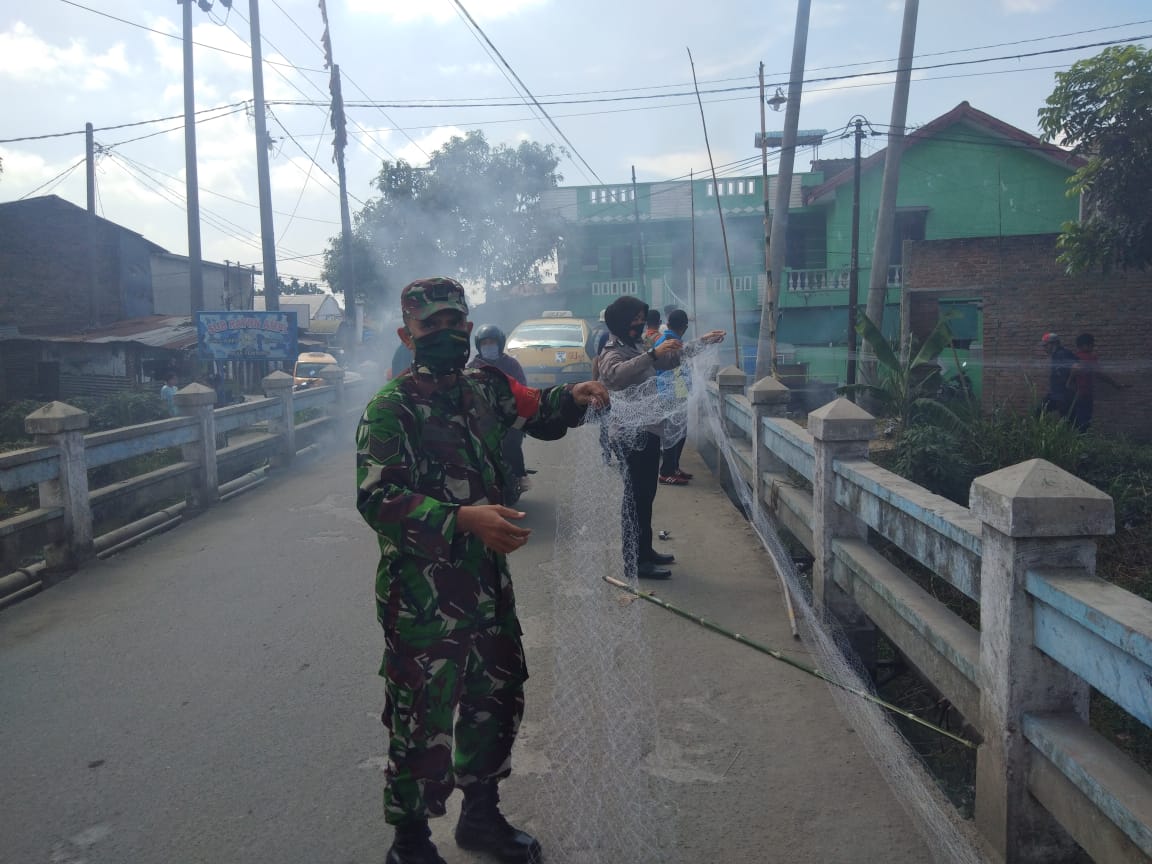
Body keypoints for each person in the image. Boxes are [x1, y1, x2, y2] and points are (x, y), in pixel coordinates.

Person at [356, 276, 608, 864]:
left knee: (494, 698)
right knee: (422, 716)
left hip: (488, 587)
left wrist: (574, 397)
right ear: (407, 334)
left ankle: (481, 818)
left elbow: (537, 412)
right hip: (422, 598)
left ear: (470, 328)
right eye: (431, 326)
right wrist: (463, 519)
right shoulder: (391, 410)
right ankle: (410, 843)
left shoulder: (485, 389)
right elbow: (379, 501)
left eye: (455, 324)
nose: (446, 335)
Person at [598, 295, 724, 580]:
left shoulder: (637, 345)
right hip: (630, 434)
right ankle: (635, 561)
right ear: (620, 322)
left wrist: (701, 342)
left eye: (642, 323)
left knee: (647, 495)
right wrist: (651, 355)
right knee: (635, 498)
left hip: (649, 428)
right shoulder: (612, 350)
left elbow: (670, 360)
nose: (639, 328)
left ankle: (645, 550)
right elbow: (614, 376)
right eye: (634, 323)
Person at [468, 324, 530, 494]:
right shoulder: (473, 366)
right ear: (479, 346)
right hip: (483, 417)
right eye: (485, 343)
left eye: (492, 342)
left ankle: (520, 474)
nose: (488, 346)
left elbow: (523, 389)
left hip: (510, 413)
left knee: (512, 441)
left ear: (500, 344)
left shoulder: (511, 364)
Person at [655, 309, 695, 485]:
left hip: (674, 392)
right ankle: (666, 472)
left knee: (679, 431)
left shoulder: (668, 340)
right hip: (670, 393)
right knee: (673, 433)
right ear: (685, 327)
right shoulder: (671, 342)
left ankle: (674, 467)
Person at [1069, 332, 1129, 432]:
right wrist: (1115, 384)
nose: (1093, 348)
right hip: (1085, 394)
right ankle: (1082, 442)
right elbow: (1100, 374)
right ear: (1085, 345)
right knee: (1084, 421)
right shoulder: (1090, 357)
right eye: (1092, 345)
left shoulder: (1074, 357)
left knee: (1076, 420)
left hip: (1074, 394)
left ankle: (1074, 442)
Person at [1039, 332, 1077, 419]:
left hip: (1064, 396)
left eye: (1046, 345)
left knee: (1067, 421)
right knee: (1039, 411)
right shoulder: (1057, 355)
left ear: (1054, 344)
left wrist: (1069, 382)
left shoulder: (1061, 354)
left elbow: (1076, 367)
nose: (1044, 348)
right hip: (1057, 395)